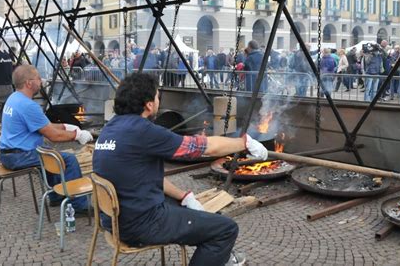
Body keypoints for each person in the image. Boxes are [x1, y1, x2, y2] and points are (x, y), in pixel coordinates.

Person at [93, 72, 268, 266]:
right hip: (139, 225)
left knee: (204, 216)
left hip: (114, 220)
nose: (159, 99)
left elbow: (142, 176)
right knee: (226, 229)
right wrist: (244, 142)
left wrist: (184, 196)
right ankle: (220, 253)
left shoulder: (110, 128)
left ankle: (221, 256)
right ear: (149, 104)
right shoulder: (143, 131)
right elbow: (201, 147)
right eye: (158, 95)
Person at [0, 65, 94, 212]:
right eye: (38, 78)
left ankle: (56, 196)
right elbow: (53, 136)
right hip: (19, 156)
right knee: (69, 160)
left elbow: (45, 126)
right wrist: (78, 135)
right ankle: (79, 205)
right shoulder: (28, 105)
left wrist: (65, 126)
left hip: (7, 154)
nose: (41, 81)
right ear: (29, 83)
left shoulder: (14, 98)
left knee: (48, 153)